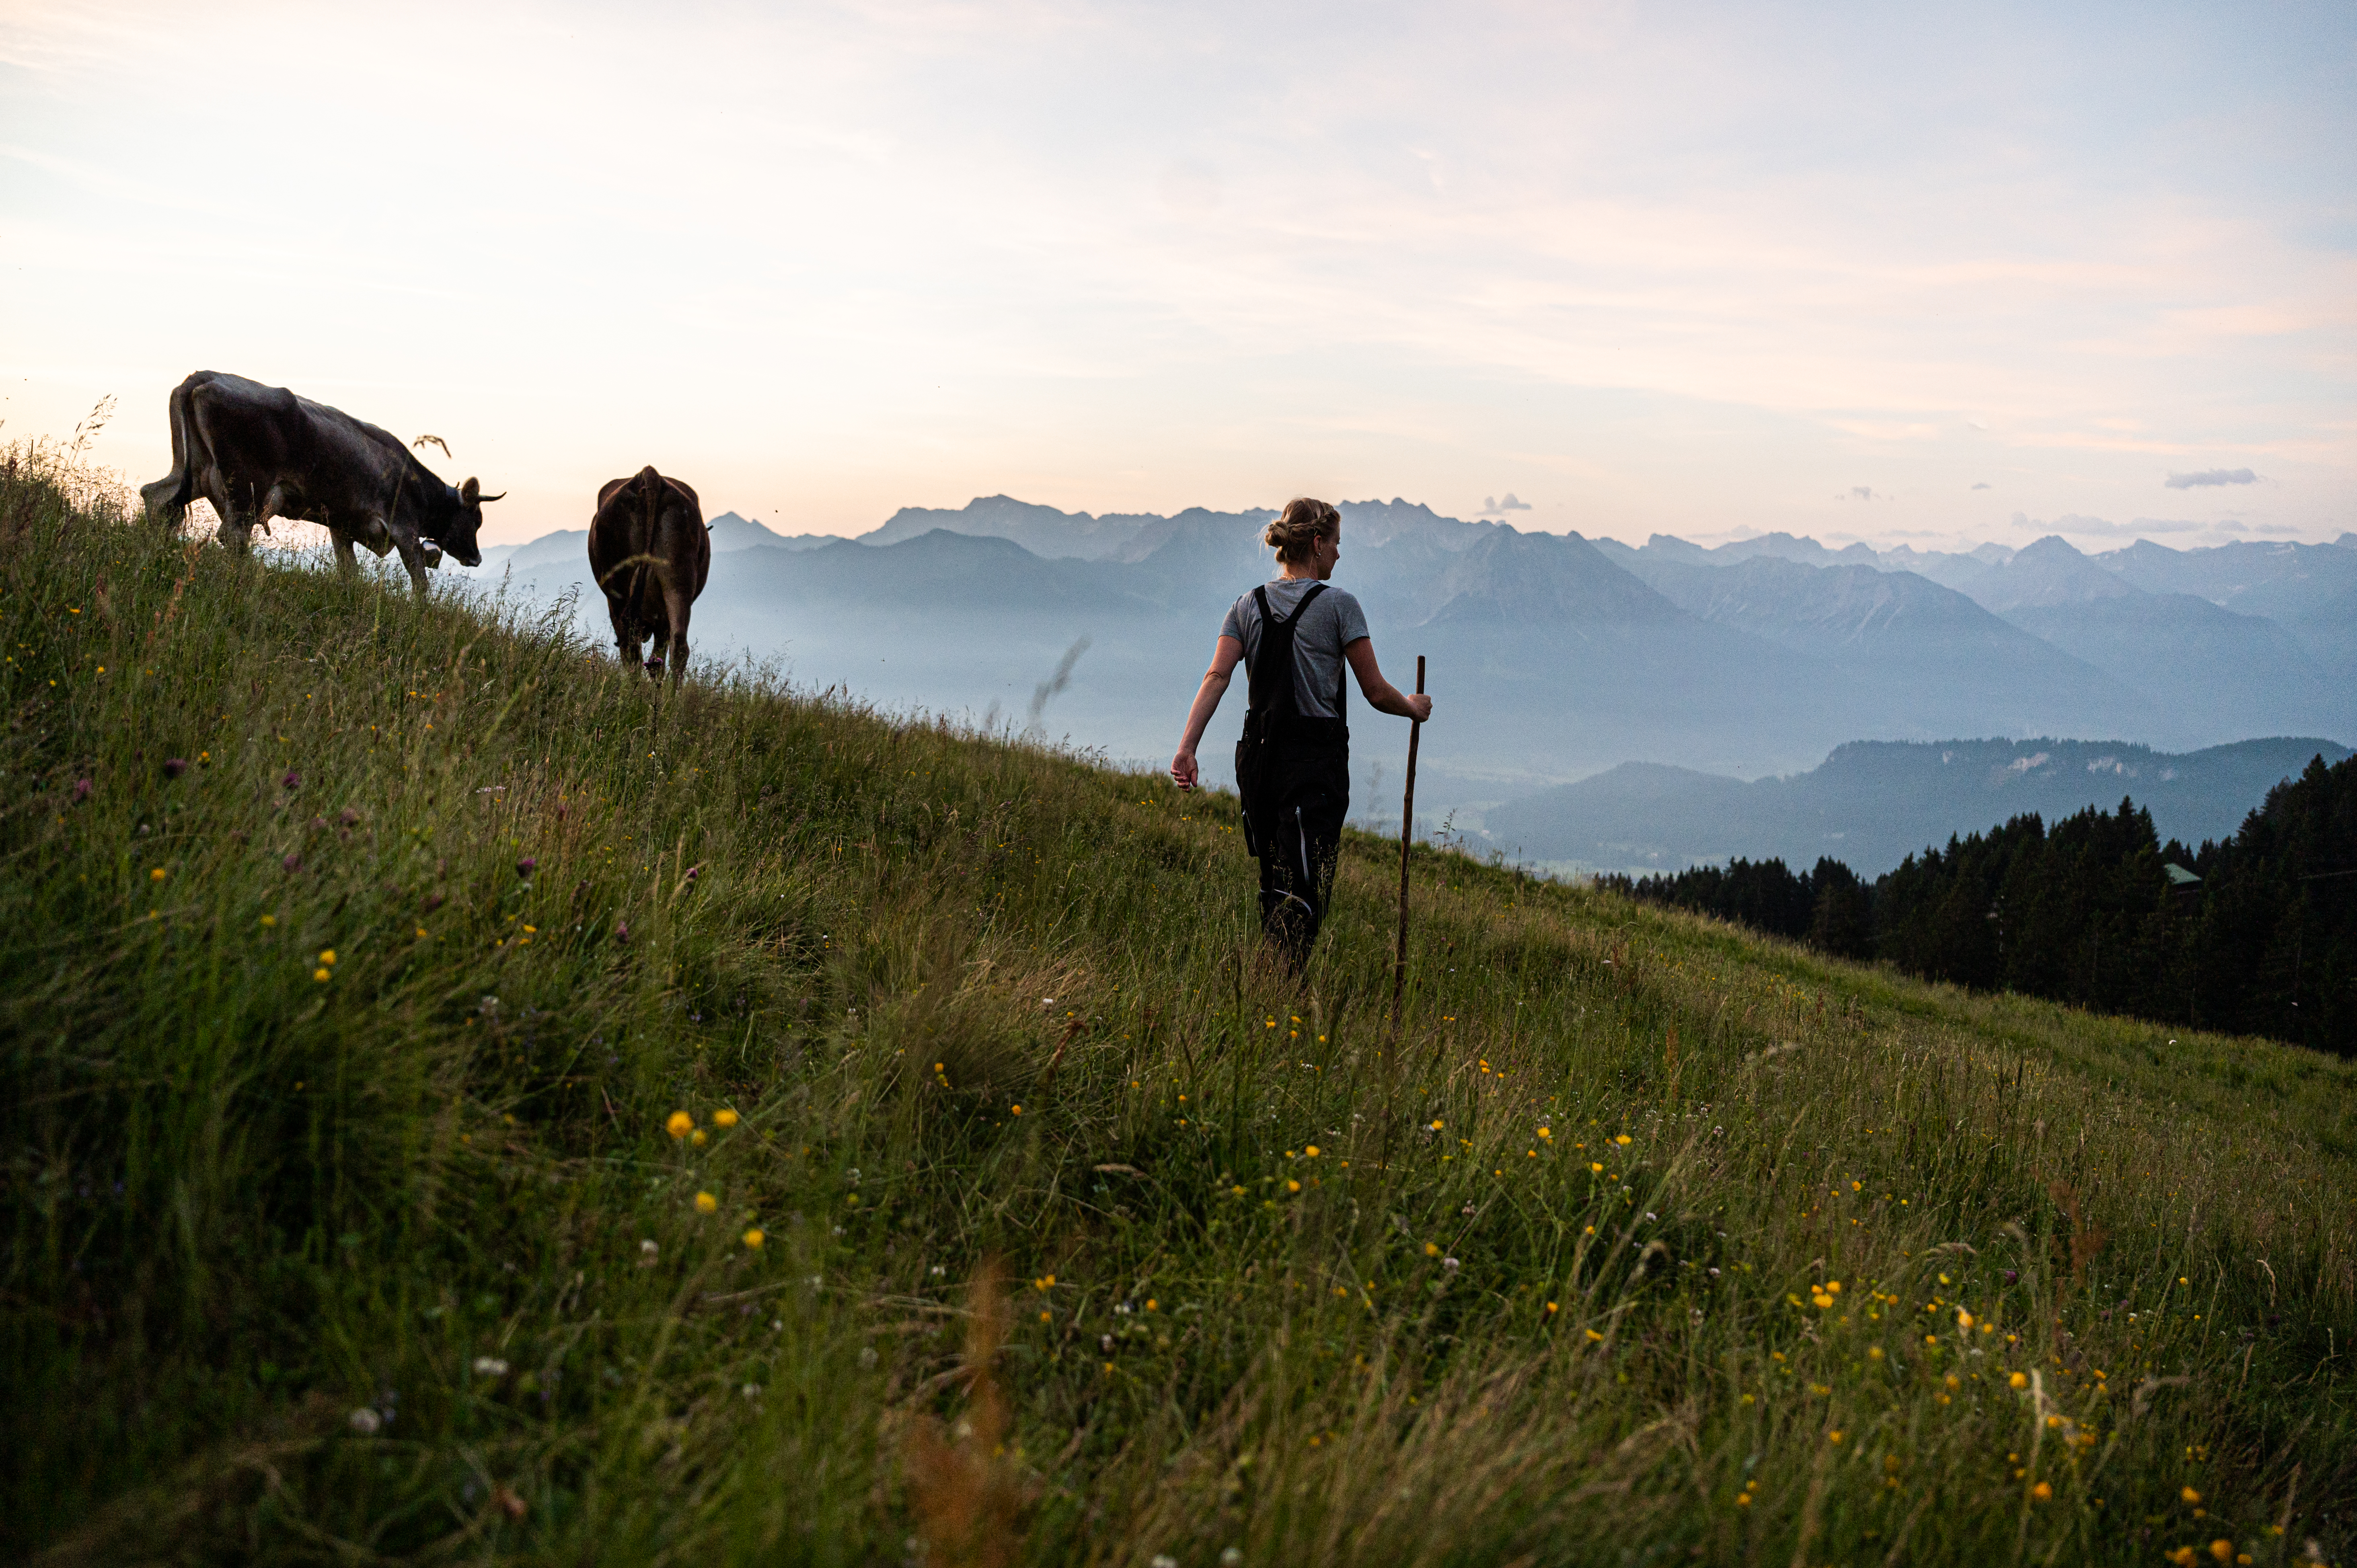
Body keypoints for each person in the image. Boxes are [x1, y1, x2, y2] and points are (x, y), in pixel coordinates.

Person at [1170, 497, 1433, 972]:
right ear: (1316, 544)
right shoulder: (1339, 606)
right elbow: (1374, 691)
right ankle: (1283, 993)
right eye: (1335, 544)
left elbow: (1216, 677)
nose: (1338, 554)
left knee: (1274, 884)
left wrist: (1187, 747)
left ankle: (1268, 989)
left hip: (1256, 763)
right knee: (1307, 891)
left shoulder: (1244, 606)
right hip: (1313, 767)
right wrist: (1412, 709)